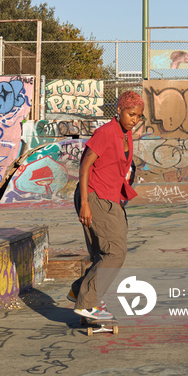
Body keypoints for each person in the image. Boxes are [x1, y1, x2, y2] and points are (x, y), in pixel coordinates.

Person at [68, 90, 144, 320]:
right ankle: (88, 303)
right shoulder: (105, 133)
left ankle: (80, 292)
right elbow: (84, 167)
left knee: (104, 253)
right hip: (94, 196)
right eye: (131, 114)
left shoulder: (126, 133)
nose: (135, 120)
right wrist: (85, 204)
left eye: (139, 116)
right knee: (115, 253)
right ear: (119, 110)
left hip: (111, 198)